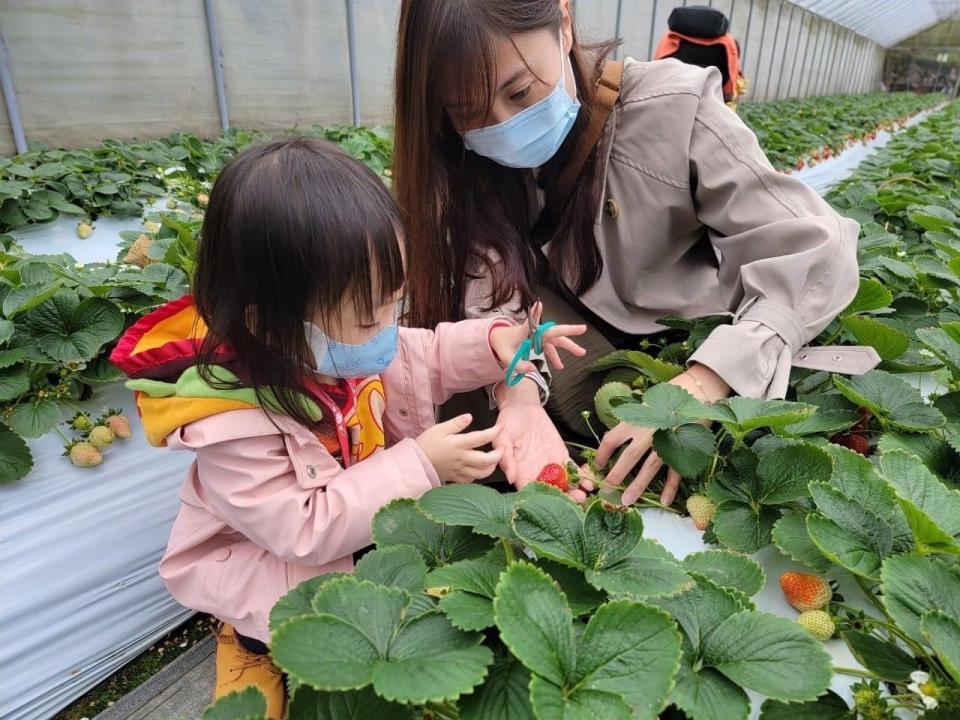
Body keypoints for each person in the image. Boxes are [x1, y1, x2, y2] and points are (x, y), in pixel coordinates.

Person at [109, 137, 585, 718]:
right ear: (271, 325)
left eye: (394, 304)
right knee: (294, 619)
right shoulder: (230, 425)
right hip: (267, 558)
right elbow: (301, 530)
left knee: (384, 573)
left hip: (354, 510)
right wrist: (422, 465)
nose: (388, 329)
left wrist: (495, 342)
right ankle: (248, 644)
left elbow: (426, 354)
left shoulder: (339, 346)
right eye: (369, 316)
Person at [393, 0, 877, 508]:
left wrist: (702, 383)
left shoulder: (674, 107)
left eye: (519, 91)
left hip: (678, 354)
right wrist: (517, 386)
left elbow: (815, 247)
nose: (503, 124)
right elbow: (486, 291)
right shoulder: (458, 159)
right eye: (470, 114)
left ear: (563, 20)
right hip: (560, 351)